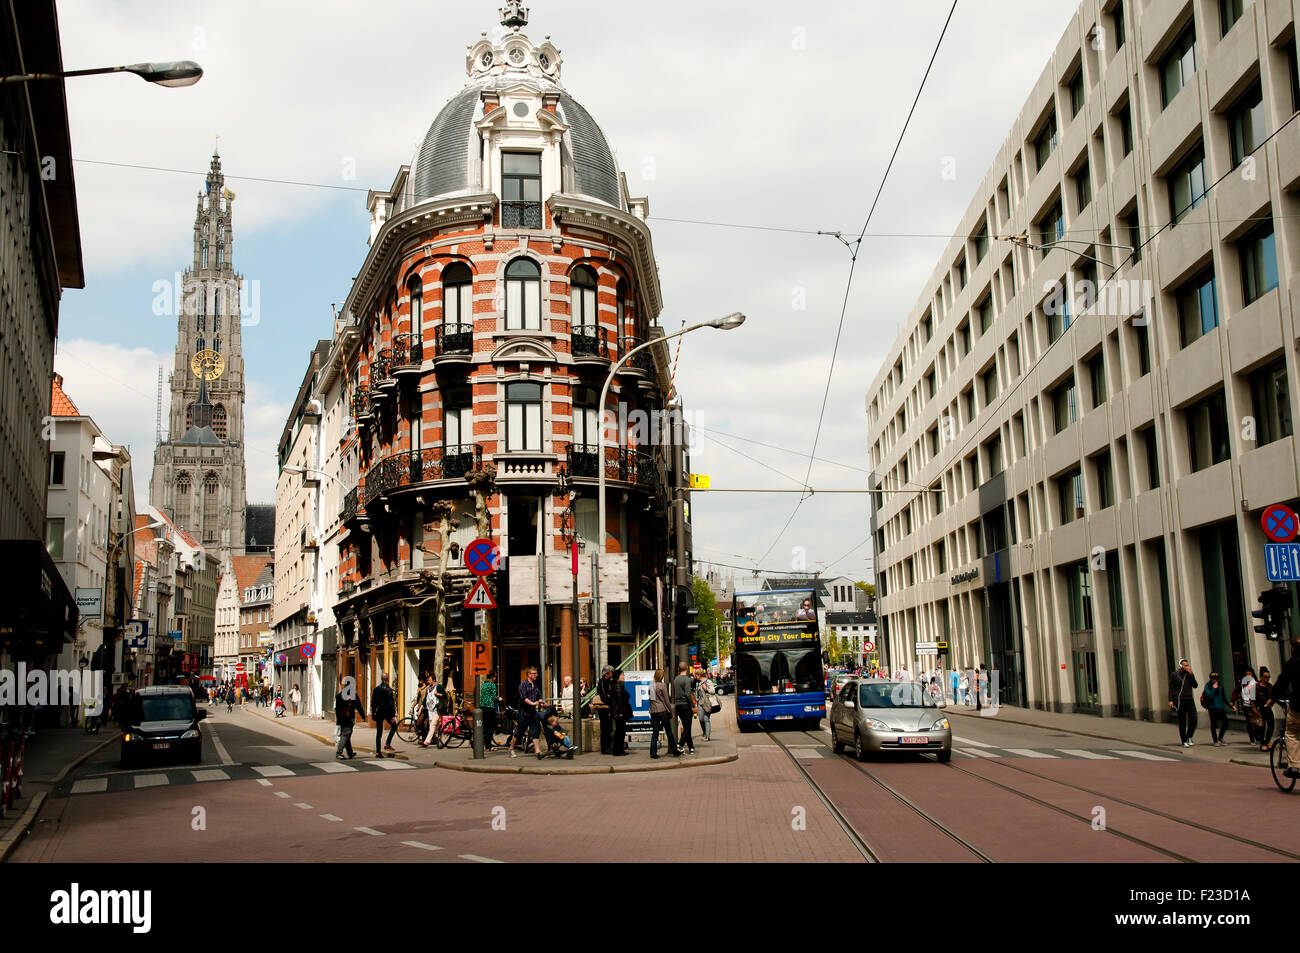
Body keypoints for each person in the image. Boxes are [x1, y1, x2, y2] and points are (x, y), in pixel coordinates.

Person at [1270, 639, 1300, 777]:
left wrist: (1274, 697)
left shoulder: (1292, 663)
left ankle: (1294, 766)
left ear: (1293, 649)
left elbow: (1282, 683)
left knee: (1292, 733)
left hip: (1298, 706)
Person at [508, 665, 544, 758]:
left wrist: (541, 702)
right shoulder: (523, 684)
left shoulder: (535, 685)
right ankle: (511, 748)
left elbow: (539, 696)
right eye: (534, 673)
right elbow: (523, 697)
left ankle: (537, 751)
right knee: (520, 731)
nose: (536, 675)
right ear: (528, 674)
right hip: (524, 713)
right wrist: (532, 703)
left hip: (533, 713)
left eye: (537, 673)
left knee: (535, 730)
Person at [648, 668, 680, 759]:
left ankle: (653, 753)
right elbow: (666, 700)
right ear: (661, 676)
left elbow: (651, 699)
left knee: (655, 733)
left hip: (654, 711)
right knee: (669, 732)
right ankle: (675, 751)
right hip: (662, 711)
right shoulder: (662, 686)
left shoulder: (651, 686)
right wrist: (671, 711)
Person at [1168, 658, 1199, 747]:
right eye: (1185, 665)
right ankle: (1184, 740)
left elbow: (1195, 685)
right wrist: (1170, 700)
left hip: (1189, 699)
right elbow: (1171, 688)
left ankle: (1189, 736)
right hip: (1179, 700)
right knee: (1182, 721)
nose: (1187, 667)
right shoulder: (1174, 675)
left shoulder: (1189, 675)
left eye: (1187, 665)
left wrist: (1191, 675)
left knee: (1194, 719)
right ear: (1181, 666)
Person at [334, 677, 366, 759]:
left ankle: (350, 752)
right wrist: (363, 716)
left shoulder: (339, 695)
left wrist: (338, 720)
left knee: (346, 734)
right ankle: (339, 752)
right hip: (348, 718)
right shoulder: (352, 694)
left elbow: (337, 709)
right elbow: (358, 706)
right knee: (346, 734)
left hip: (341, 718)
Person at [370, 671, 398, 756]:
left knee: (379, 732)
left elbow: (373, 702)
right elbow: (391, 704)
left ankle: (378, 751)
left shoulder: (376, 690)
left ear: (381, 679)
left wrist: (373, 711)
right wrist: (393, 715)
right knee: (394, 726)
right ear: (388, 679)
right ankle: (387, 744)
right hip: (386, 713)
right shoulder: (389, 690)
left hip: (379, 713)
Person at [1201, 673, 1233, 745]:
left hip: (1220, 707)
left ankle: (1220, 737)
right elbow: (1209, 695)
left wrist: (1231, 706)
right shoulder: (1208, 686)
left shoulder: (1220, 686)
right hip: (1212, 708)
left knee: (1225, 722)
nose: (1214, 680)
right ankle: (1215, 740)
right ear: (1210, 678)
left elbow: (1224, 698)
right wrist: (1214, 689)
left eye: (1216, 678)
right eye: (1213, 678)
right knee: (1214, 724)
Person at [671, 661, 695, 755]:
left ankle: (691, 746)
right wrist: (692, 705)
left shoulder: (675, 679)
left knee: (686, 726)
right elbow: (687, 693)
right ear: (687, 669)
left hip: (678, 705)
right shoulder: (687, 679)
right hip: (685, 704)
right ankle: (680, 744)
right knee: (688, 726)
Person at [596, 665, 617, 754]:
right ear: (606, 674)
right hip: (605, 709)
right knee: (605, 728)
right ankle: (605, 747)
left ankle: (608, 746)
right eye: (611, 672)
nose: (612, 674)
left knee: (608, 728)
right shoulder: (603, 682)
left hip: (608, 708)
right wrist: (610, 700)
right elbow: (604, 695)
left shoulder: (609, 682)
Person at [611, 670, 632, 755]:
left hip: (619, 711)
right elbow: (619, 699)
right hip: (620, 711)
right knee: (620, 731)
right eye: (622, 675)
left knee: (620, 731)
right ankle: (618, 750)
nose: (624, 677)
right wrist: (620, 712)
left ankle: (619, 749)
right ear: (618, 676)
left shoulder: (617, 684)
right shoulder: (618, 685)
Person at [421, 673, 444, 748]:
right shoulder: (428, 689)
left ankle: (427, 741)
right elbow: (425, 699)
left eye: (429, 680)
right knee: (437, 727)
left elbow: (445, 695)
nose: (428, 681)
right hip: (430, 711)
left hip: (437, 710)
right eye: (427, 680)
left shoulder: (439, 687)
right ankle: (442, 741)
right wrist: (421, 707)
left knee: (432, 725)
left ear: (433, 680)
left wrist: (438, 694)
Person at [694, 668, 717, 742]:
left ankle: (707, 736)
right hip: (700, 703)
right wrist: (696, 703)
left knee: (706, 719)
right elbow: (697, 694)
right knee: (700, 719)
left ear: (699, 675)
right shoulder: (698, 683)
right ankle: (704, 732)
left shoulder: (708, 681)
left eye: (695, 675)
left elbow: (713, 691)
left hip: (707, 703)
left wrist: (706, 688)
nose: (695, 676)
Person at [1257, 667, 1276, 752]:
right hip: (1259, 709)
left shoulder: (1270, 686)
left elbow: (1274, 696)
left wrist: (1272, 702)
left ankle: (1267, 741)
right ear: (1261, 677)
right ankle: (1263, 743)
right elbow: (1252, 700)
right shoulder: (1256, 687)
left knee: (1271, 725)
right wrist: (1255, 710)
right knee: (1262, 727)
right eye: (1265, 677)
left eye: (1269, 677)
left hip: (1268, 708)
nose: (1267, 679)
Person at [1239, 668, 1259, 746]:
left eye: (1250, 674)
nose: (1248, 675)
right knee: (1250, 723)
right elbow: (1240, 693)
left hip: (1254, 705)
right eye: (1246, 674)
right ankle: (1252, 739)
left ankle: (1257, 737)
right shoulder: (1243, 683)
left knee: (1256, 722)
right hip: (1246, 705)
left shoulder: (1255, 683)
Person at [479, 671, 498, 748]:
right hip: (489, 706)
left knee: (485, 725)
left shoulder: (483, 684)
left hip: (482, 706)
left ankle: (482, 741)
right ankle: (488, 745)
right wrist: (499, 698)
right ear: (493, 677)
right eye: (495, 677)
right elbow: (493, 697)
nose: (495, 678)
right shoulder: (492, 684)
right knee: (491, 726)